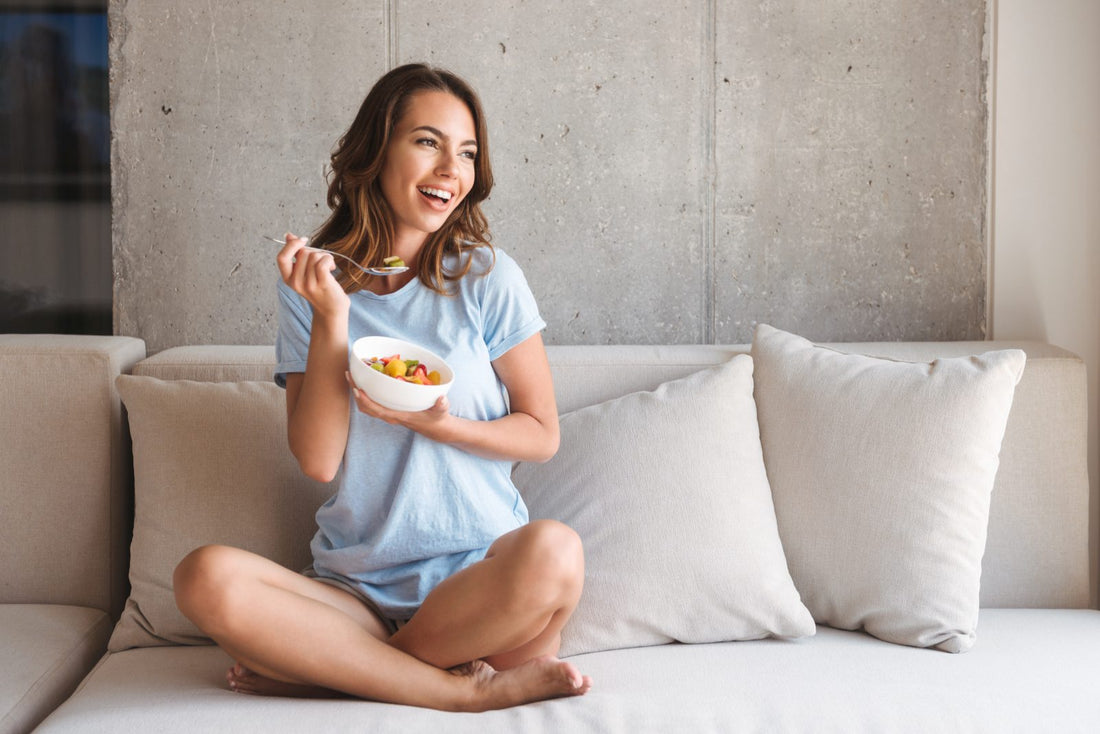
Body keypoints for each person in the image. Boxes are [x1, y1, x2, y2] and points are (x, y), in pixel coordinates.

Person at [173, 63, 591, 711]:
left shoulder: (486, 276)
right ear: (376, 151)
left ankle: (338, 674)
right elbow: (317, 460)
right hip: (356, 594)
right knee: (204, 576)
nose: (452, 168)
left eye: (468, 152)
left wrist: (440, 424)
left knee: (556, 551)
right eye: (428, 142)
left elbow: (541, 434)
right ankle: (458, 694)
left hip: (479, 585)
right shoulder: (316, 287)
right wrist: (331, 317)